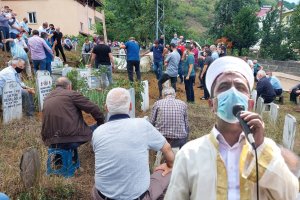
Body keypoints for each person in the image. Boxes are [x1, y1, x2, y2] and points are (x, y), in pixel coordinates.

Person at [165, 56, 299, 200]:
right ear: (212, 105)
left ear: (250, 104)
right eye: (224, 87)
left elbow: (290, 195)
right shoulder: (188, 154)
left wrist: (260, 148)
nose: (233, 92)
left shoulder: (268, 149)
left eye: (240, 87)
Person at [91, 87, 174, 200]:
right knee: (168, 173)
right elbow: (167, 149)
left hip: (102, 196)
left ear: (106, 108)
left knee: (96, 186)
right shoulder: (142, 125)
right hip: (137, 197)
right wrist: (170, 165)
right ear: (130, 106)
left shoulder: (97, 132)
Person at [41, 77, 105, 149]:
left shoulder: (46, 98)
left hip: (50, 141)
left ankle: (69, 158)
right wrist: (101, 123)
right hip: (71, 138)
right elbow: (93, 108)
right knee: (97, 127)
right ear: (69, 86)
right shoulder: (71, 94)